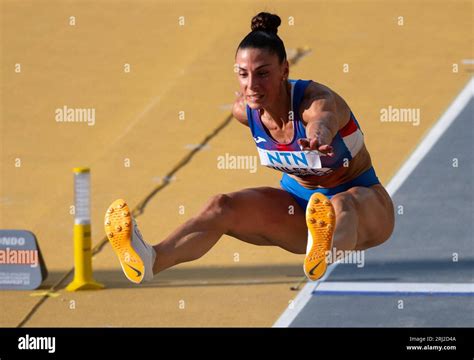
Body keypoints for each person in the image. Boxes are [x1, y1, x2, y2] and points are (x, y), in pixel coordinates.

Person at [104, 12, 395, 285]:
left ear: (284, 69)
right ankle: (151, 259)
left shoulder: (315, 100)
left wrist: (319, 137)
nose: (252, 85)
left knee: (341, 204)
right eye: (243, 74)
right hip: (300, 211)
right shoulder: (244, 112)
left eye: (263, 73)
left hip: (368, 209)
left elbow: (324, 119)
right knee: (221, 206)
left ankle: (325, 250)